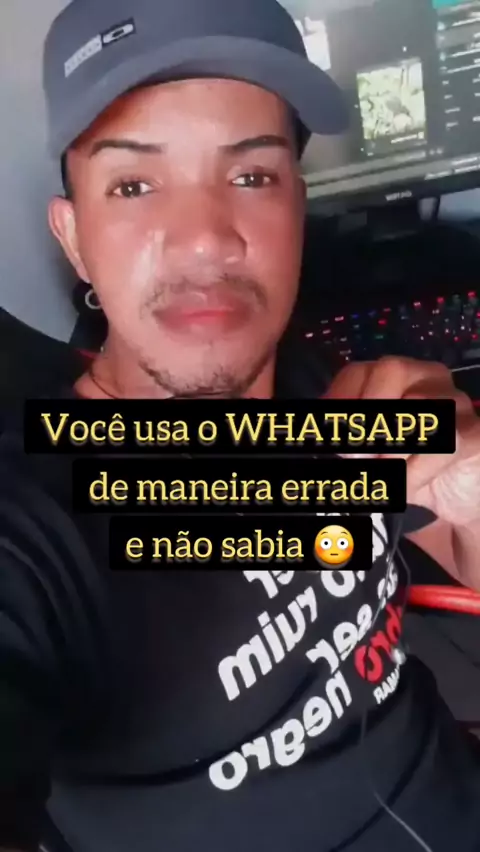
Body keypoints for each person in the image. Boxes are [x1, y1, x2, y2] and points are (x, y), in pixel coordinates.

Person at [1, 0, 480, 850]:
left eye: (252, 176)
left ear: (299, 207)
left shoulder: (322, 389)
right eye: (134, 186)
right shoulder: (38, 527)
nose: (205, 242)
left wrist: (468, 474)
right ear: (74, 240)